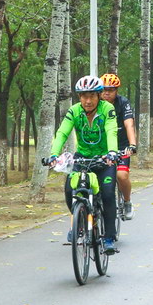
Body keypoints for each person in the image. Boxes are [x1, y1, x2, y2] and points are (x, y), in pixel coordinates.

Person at [48, 75, 123, 255]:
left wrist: (112, 152)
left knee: (107, 194)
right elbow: (62, 133)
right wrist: (53, 154)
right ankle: (80, 222)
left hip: (105, 158)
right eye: (83, 96)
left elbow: (111, 131)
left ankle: (109, 237)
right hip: (81, 158)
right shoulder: (74, 111)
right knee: (69, 189)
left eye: (91, 96)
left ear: (98, 96)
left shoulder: (108, 109)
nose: (87, 101)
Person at [99, 73, 138, 219]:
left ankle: (127, 201)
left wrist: (132, 144)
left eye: (111, 90)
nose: (107, 93)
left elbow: (129, 124)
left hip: (122, 145)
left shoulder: (123, 103)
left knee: (121, 175)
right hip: (103, 147)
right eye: (104, 90)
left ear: (117, 91)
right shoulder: (96, 104)